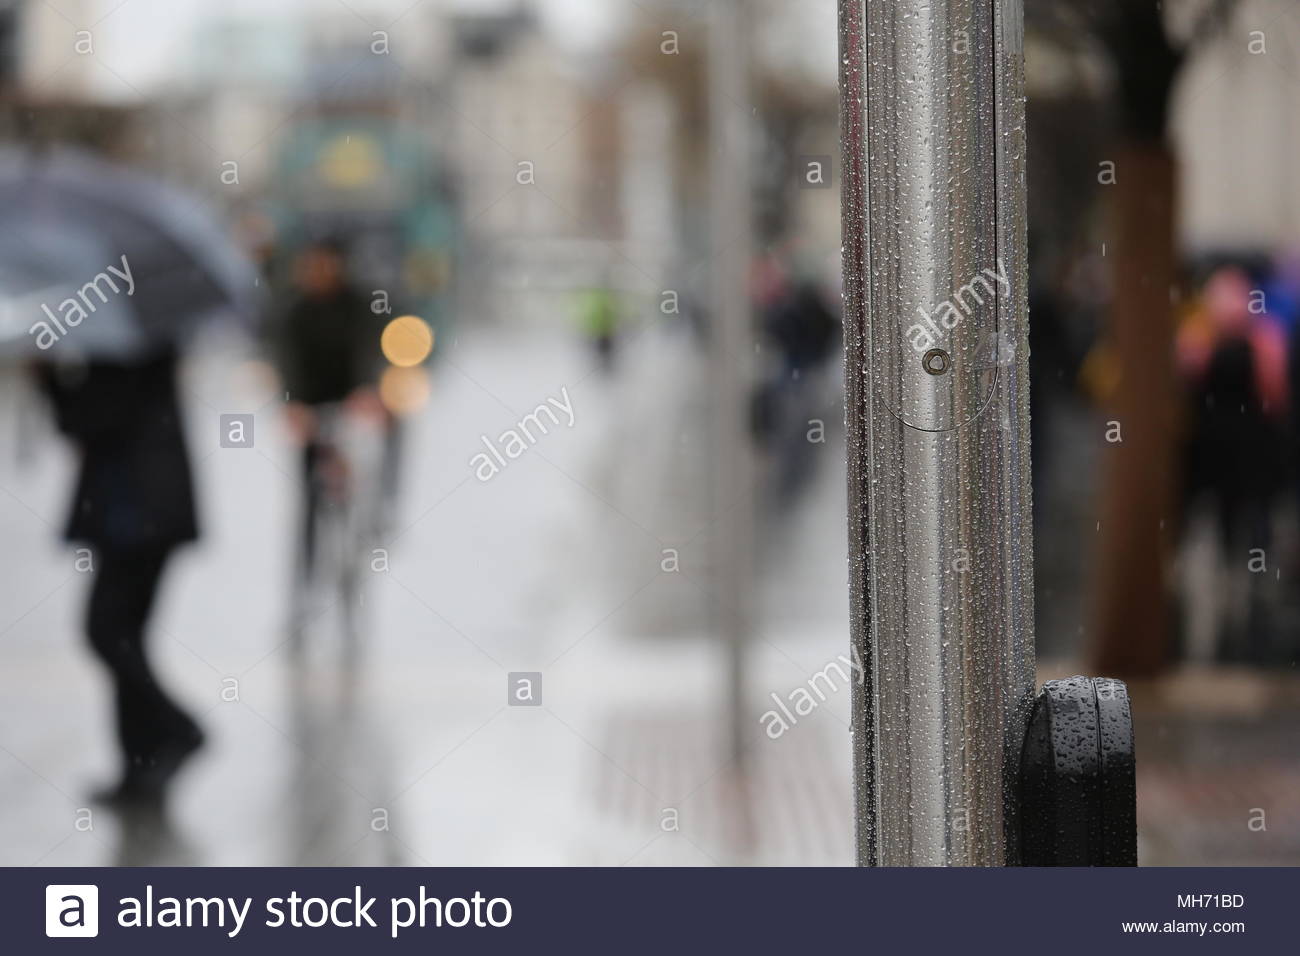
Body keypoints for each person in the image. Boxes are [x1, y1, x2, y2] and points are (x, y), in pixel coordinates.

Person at [35, 349, 204, 807]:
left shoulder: (127, 343)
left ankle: (177, 728)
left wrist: (47, 374)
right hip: (140, 512)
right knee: (125, 635)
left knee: (105, 630)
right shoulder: (137, 333)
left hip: (137, 513)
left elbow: (85, 418)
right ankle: (139, 765)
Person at [271, 239, 385, 618]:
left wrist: (366, 393)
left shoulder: (360, 306)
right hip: (311, 409)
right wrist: (294, 404)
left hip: (351, 407)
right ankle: (304, 583)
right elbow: (285, 360)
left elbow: (369, 352)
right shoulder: (294, 309)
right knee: (308, 499)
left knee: (356, 483)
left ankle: (353, 572)